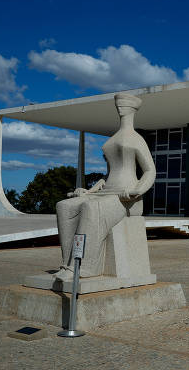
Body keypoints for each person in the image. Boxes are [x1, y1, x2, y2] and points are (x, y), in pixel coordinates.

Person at [54, 93, 155, 280]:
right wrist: (89, 190)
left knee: (91, 209)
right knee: (64, 207)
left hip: (126, 198)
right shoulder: (113, 138)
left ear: (133, 108)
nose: (120, 107)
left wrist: (138, 190)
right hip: (106, 192)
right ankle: (68, 264)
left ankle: (85, 267)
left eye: (124, 104)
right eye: (118, 104)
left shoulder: (136, 139)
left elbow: (150, 171)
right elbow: (108, 175)